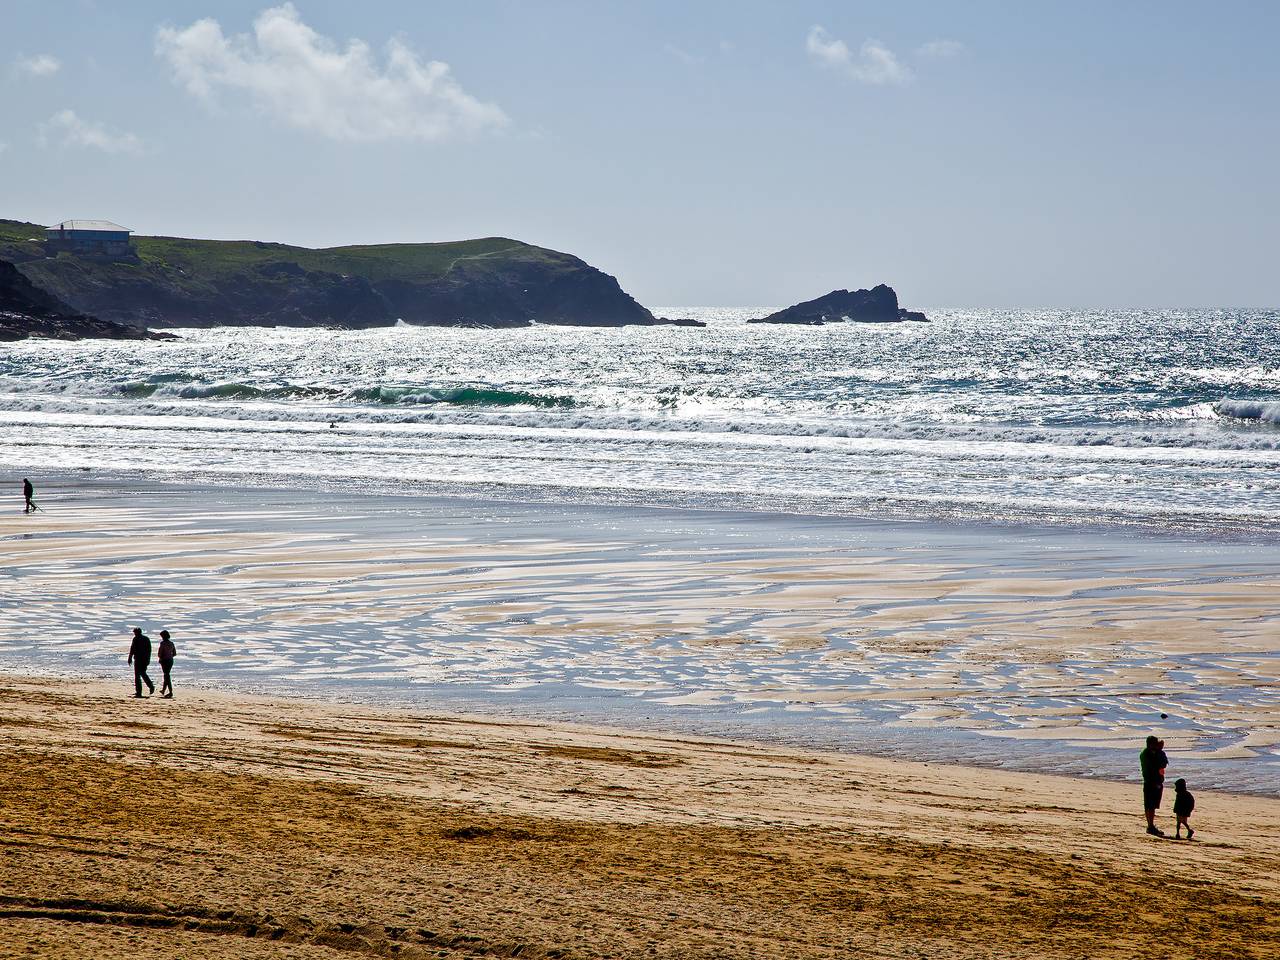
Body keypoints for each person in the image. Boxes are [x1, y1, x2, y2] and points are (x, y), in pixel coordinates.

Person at [1139, 734, 1169, 837]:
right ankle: (1150, 826)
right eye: (1155, 744)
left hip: (1153, 781)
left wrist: (1159, 751)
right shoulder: (1147, 754)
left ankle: (1150, 825)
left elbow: (1164, 763)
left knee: (1150, 805)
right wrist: (1159, 751)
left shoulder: (1150, 753)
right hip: (1152, 782)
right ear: (1151, 745)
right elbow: (1158, 765)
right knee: (1150, 805)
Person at [128, 627, 155, 698]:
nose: (134, 634)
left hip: (140, 659)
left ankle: (141, 691)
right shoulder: (146, 639)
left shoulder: (137, 639)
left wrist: (130, 657)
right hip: (142, 659)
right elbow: (149, 650)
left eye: (135, 632)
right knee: (142, 674)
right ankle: (147, 687)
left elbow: (132, 649)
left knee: (138, 675)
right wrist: (148, 659)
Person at [157, 630, 176, 699]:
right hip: (170, 660)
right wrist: (169, 656)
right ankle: (164, 690)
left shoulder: (163, 643)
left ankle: (170, 691)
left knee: (167, 676)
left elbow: (160, 653)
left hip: (164, 660)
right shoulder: (171, 643)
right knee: (166, 675)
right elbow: (174, 653)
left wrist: (161, 658)